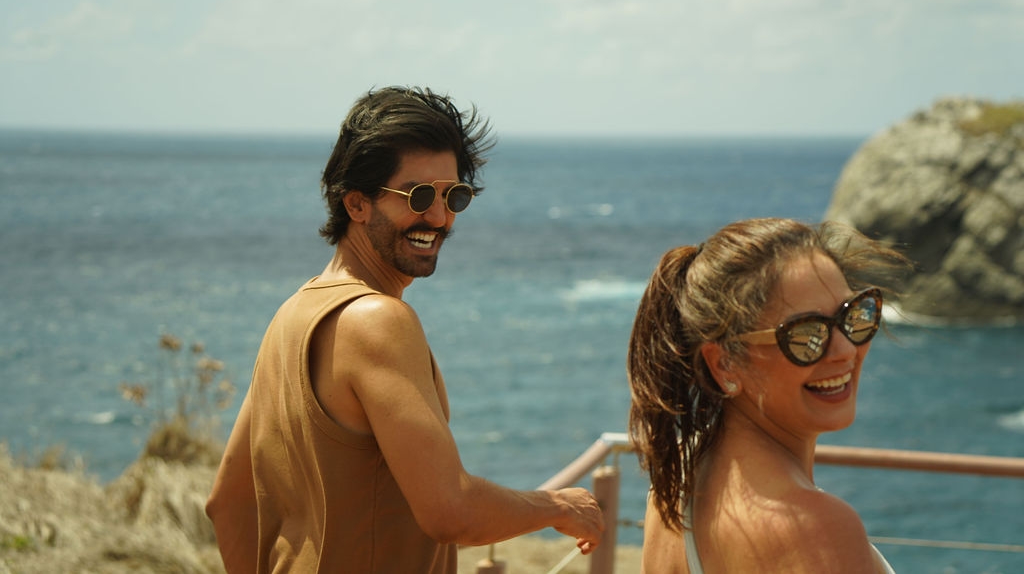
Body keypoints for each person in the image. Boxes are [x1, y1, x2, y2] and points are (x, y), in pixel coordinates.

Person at [206, 86, 604, 573]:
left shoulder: (292, 316)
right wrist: (558, 507)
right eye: (418, 196)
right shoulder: (377, 320)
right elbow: (450, 510)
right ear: (356, 204)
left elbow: (228, 505)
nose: (438, 217)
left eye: (453, 196)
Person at [627, 217, 910, 574]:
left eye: (853, 314)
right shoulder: (814, 528)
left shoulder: (678, 485)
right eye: (805, 334)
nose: (845, 350)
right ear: (725, 364)